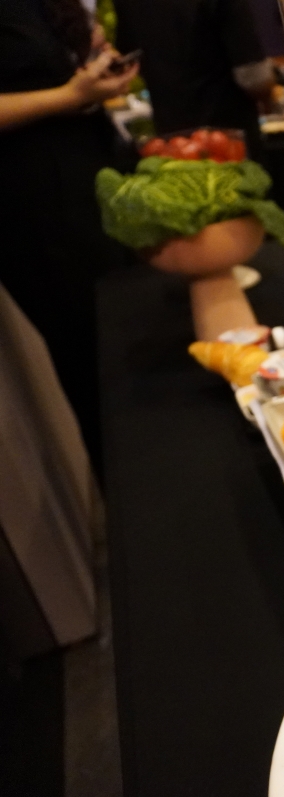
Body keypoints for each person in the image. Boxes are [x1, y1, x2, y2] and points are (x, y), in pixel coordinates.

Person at [0, 0, 139, 469]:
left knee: (135, 342)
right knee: (95, 363)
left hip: (92, 173)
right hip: (35, 206)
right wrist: (69, 94)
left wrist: (93, 64)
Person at [112, 0, 277, 160]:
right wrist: (270, 100)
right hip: (228, 140)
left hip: (171, 139)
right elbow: (254, 78)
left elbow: (129, 58)